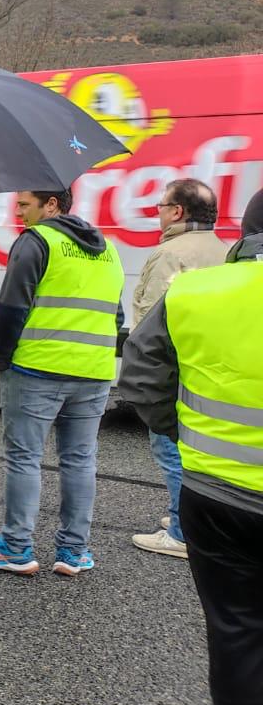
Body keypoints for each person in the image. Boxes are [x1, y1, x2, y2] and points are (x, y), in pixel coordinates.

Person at [118, 233, 263, 705]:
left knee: (237, 632)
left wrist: (185, 436)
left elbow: (141, 377)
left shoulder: (192, 293)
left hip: (218, 496)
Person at [0, 187, 125, 578]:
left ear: (51, 205)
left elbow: (11, 308)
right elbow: (117, 315)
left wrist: (3, 357)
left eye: (24, 204)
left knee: (25, 457)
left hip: (38, 368)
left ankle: (16, 547)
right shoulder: (108, 249)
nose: (18, 212)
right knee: (80, 460)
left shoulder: (35, 242)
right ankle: (74, 552)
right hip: (94, 371)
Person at [123, 178, 231, 560]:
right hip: (205, 366)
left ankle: (182, 531)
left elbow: (154, 322)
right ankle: (189, 519)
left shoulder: (172, 253)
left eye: (161, 206)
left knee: (169, 448)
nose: (159, 213)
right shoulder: (223, 250)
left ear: (178, 212)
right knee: (197, 452)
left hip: (173, 369)